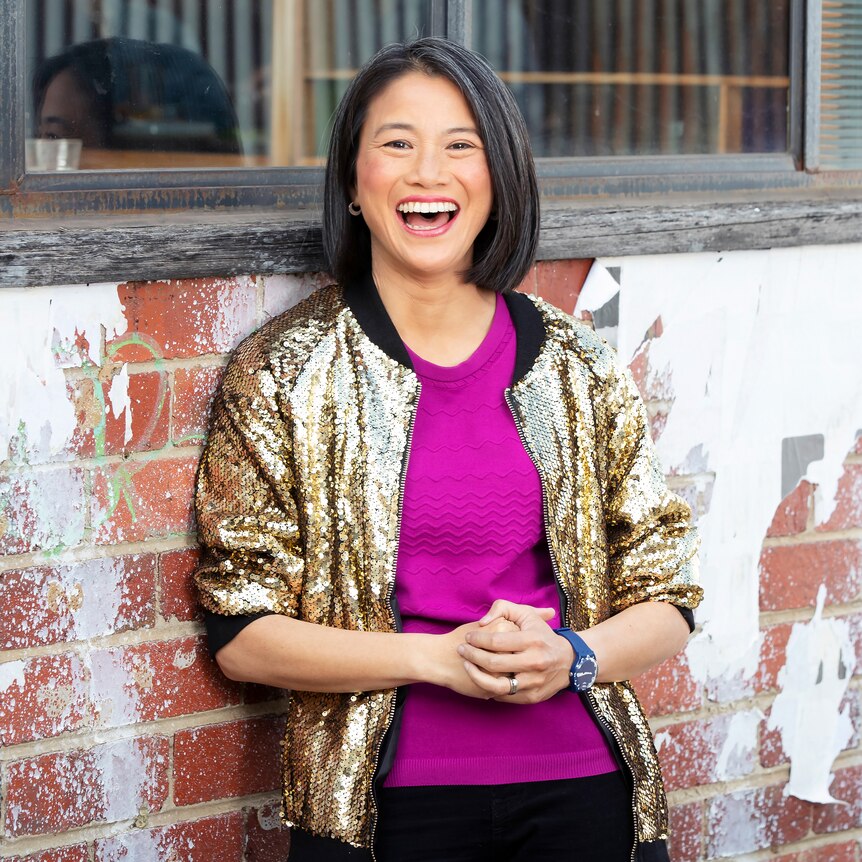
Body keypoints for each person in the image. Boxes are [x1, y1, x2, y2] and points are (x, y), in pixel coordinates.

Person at [194, 37, 702, 862]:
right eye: (397, 143)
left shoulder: (578, 365)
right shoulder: (284, 371)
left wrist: (572, 657)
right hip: (383, 808)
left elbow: (669, 594)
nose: (428, 172)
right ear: (354, 184)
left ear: (497, 178)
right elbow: (241, 633)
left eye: (460, 146)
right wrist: (435, 659)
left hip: (582, 791)